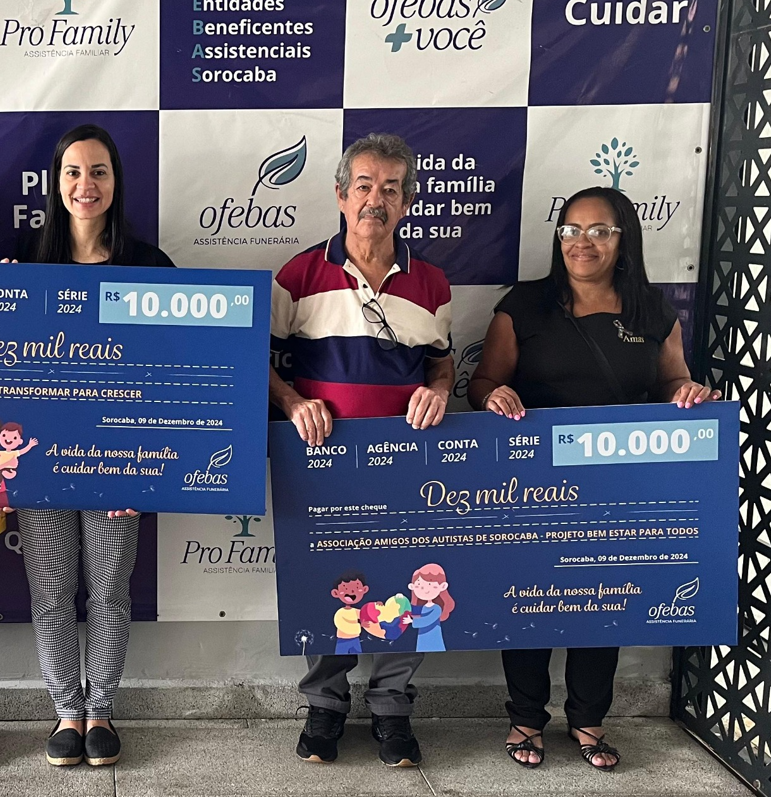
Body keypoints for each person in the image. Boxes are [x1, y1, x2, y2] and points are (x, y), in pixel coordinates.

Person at [468, 185, 720, 772]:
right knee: (528, 600)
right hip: (532, 484)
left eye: (599, 230)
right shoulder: (524, 305)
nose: (582, 242)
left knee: (602, 600)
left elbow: (670, 382)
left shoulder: (652, 310)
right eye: (571, 230)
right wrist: (493, 395)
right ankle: (525, 718)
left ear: (623, 238)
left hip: (618, 485)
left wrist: (684, 392)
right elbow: (481, 383)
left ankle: (589, 719)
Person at [271, 133, 453, 767]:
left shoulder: (433, 283)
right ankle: (325, 702)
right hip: (320, 460)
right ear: (341, 195)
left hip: (406, 462)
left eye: (391, 189)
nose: (376, 199)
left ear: (407, 202)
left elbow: (442, 364)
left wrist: (439, 390)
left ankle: (392, 705)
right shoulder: (298, 275)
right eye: (365, 186)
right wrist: (292, 402)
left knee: (411, 581)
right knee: (329, 582)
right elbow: (256, 359)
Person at [13, 123, 173, 769]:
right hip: (40, 462)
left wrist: (149, 468)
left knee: (108, 588)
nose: (87, 184)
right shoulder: (25, 267)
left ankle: (101, 709)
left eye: (99, 171)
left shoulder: (150, 266)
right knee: (51, 589)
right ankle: (66, 711)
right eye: (74, 171)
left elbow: (175, 375)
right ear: (56, 184)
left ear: (116, 181)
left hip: (119, 464)